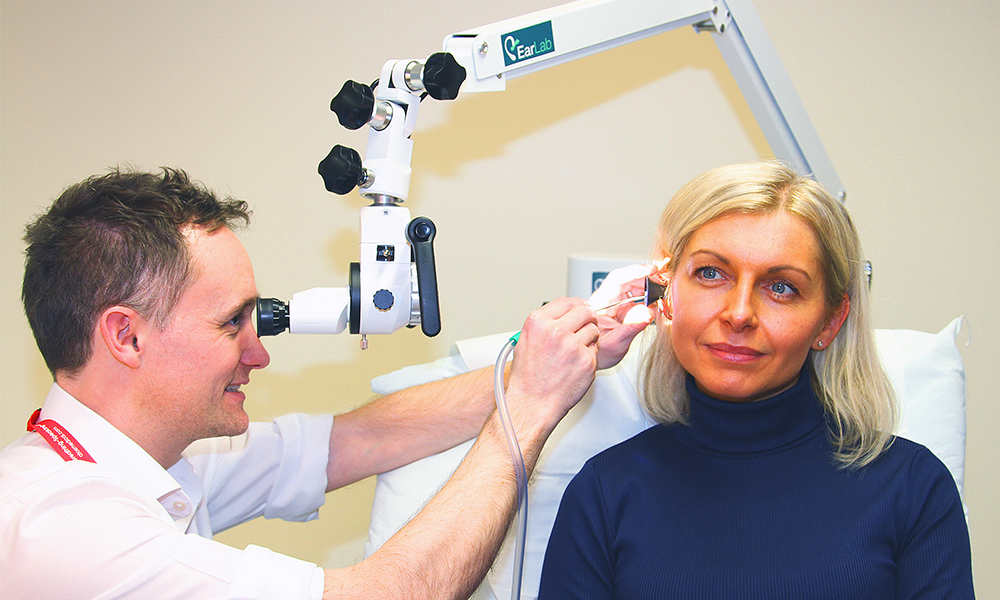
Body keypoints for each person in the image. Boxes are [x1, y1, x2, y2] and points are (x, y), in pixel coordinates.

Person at [0, 167, 648, 600]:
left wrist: (544, 363)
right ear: (126, 336)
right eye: (231, 324)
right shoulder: (65, 531)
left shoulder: (149, 460)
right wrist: (531, 408)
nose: (259, 353)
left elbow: (357, 440)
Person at [538, 161, 975, 598]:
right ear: (666, 293)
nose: (740, 313)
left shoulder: (913, 491)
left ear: (829, 322)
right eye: (711, 273)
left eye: (781, 287)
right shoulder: (604, 494)